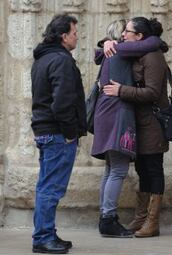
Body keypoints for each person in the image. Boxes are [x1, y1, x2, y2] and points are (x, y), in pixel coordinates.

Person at [102, 17, 169, 238]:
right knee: (142, 171)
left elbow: (151, 92)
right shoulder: (136, 52)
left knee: (153, 170)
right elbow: (101, 53)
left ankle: (152, 221)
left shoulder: (153, 56)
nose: (123, 35)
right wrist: (105, 43)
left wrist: (121, 91)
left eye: (127, 32)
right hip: (137, 124)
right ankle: (141, 218)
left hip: (152, 124)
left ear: (139, 36)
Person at [31, 14, 87, 254]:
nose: (77, 37)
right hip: (56, 133)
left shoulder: (43, 59)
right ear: (64, 36)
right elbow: (62, 102)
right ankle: (43, 238)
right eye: (75, 33)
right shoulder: (61, 60)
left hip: (46, 131)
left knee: (46, 186)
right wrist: (69, 133)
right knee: (51, 188)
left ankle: (47, 232)